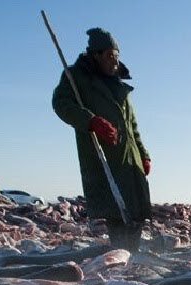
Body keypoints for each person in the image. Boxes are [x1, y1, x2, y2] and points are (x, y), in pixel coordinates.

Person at [51, 28, 152, 251]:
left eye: (116, 55)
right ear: (95, 55)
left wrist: (144, 154)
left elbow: (132, 125)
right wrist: (91, 121)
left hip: (130, 157)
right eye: (109, 56)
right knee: (116, 210)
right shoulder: (76, 76)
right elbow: (61, 104)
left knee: (138, 212)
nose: (115, 61)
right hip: (105, 156)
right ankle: (121, 258)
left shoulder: (119, 84)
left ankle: (131, 255)